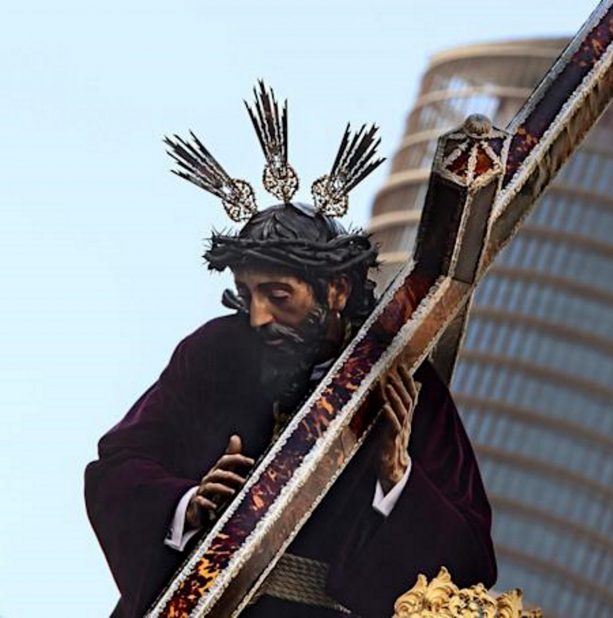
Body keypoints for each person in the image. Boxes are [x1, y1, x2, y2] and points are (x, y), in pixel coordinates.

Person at [84, 83, 496, 617]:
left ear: (336, 291)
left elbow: (470, 561)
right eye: (247, 294)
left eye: (278, 296)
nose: (257, 317)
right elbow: (118, 466)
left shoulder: (402, 380)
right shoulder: (213, 352)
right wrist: (189, 504)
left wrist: (398, 479)